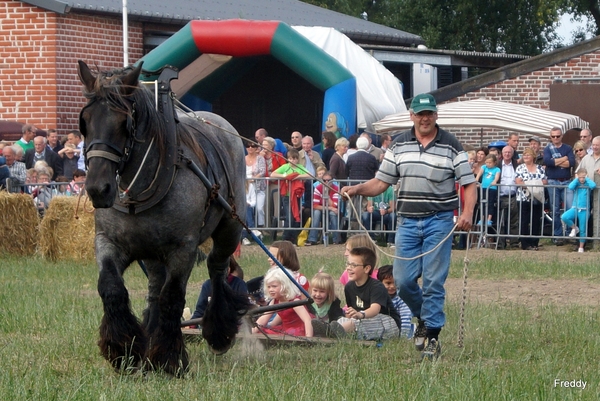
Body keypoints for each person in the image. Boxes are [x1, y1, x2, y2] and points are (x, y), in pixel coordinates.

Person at [341, 93, 476, 360]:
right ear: (412, 116)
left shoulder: (451, 145)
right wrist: (356, 189)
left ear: (436, 115)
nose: (424, 118)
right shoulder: (399, 145)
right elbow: (381, 182)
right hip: (408, 222)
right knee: (402, 282)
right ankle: (425, 320)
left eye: (429, 113)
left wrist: (468, 212)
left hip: (439, 220)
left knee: (434, 281)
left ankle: (432, 338)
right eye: (420, 113)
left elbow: (469, 183)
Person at [331, 247, 401, 340]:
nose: (348, 268)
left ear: (366, 268)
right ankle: (333, 331)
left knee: (360, 322)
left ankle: (331, 332)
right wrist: (350, 314)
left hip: (388, 324)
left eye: (353, 265)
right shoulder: (349, 287)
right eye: (348, 264)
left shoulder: (377, 286)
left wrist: (360, 315)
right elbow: (352, 309)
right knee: (342, 320)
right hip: (364, 322)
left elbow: (375, 309)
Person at [252, 268, 313, 337]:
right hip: (285, 328)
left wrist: (309, 338)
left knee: (288, 335)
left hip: (297, 329)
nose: (271, 289)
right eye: (269, 287)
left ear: (285, 286)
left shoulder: (294, 301)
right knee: (263, 332)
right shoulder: (275, 301)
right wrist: (254, 329)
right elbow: (265, 317)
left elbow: (307, 320)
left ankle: (319, 329)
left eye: (274, 286)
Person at [190, 257, 248, 325]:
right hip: (211, 325)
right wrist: (191, 325)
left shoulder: (239, 284)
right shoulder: (207, 285)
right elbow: (200, 311)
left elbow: (243, 310)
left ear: (229, 269)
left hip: (234, 325)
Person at [270, 149, 311, 244]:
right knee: (289, 217)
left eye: (295, 159)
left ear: (298, 159)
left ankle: (293, 238)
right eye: (291, 159)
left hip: (297, 196)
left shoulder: (300, 167)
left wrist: (297, 177)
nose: (293, 161)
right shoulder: (285, 167)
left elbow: (309, 175)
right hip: (287, 197)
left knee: (296, 217)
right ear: (288, 159)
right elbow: (273, 174)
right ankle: (286, 239)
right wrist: (285, 176)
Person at [543, 127, 575, 245]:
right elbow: (548, 162)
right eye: (553, 136)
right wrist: (564, 158)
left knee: (569, 208)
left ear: (562, 136)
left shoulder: (568, 148)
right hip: (553, 182)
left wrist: (556, 161)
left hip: (566, 181)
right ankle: (557, 235)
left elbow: (571, 163)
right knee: (555, 209)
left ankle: (568, 233)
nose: (555, 138)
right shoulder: (547, 149)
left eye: (558, 136)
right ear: (550, 137)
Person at [515, 148, 547, 250]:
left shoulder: (540, 168)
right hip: (523, 198)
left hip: (537, 198)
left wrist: (528, 184)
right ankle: (525, 244)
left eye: (528, 155)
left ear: (533, 156)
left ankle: (534, 243)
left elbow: (545, 181)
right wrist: (534, 184)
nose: (526, 157)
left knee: (536, 220)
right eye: (524, 155)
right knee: (524, 221)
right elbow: (518, 182)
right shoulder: (520, 168)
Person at [561, 168, 596, 253]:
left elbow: (593, 185)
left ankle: (581, 247)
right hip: (575, 208)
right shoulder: (576, 183)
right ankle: (574, 228)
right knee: (564, 216)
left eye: (583, 177)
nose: (582, 179)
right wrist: (576, 179)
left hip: (584, 210)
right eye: (580, 177)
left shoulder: (588, 183)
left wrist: (586, 178)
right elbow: (570, 186)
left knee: (583, 229)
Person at [305, 171, 341, 246]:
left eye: (329, 180)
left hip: (331, 210)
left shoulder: (336, 188)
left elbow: (335, 205)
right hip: (322, 209)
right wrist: (330, 208)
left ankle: (336, 240)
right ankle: (312, 239)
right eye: (324, 180)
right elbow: (315, 206)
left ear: (332, 180)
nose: (326, 182)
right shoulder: (318, 188)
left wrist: (327, 196)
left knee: (333, 213)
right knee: (316, 212)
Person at [377, 265, 413, 338]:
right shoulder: (376, 296)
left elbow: (405, 316)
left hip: (397, 327)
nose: (393, 286)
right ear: (380, 283)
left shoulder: (401, 298)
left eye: (395, 283)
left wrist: (403, 337)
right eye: (388, 283)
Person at [309, 273, 344, 337]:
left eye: (322, 291)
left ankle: (329, 332)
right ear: (311, 290)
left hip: (331, 328)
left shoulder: (333, 303)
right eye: (315, 290)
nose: (317, 294)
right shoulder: (308, 303)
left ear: (329, 292)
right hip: (313, 330)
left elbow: (336, 318)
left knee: (343, 321)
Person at [497, 146, 520, 249]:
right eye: (505, 152)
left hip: (513, 196)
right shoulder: (497, 165)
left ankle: (514, 243)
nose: (507, 154)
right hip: (500, 196)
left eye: (509, 152)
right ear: (502, 153)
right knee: (501, 221)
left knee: (514, 221)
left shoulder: (517, 165)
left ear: (512, 153)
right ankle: (501, 244)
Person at [245, 140, 267, 230]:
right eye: (248, 146)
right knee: (247, 208)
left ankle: (260, 227)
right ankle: (249, 229)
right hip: (246, 188)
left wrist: (253, 179)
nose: (250, 148)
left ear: (256, 148)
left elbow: (262, 171)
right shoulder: (243, 158)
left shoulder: (260, 158)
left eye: (253, 146)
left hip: (258, 187)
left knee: (259, 208)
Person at [475, 154, 500, 227]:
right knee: (482, 203)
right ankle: (482, 219)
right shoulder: (484, 167)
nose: (488, 164)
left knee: (490, 203)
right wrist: (477, 178)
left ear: (494, 162)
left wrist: (495, 181)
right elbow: (480, 173)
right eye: (487, 162)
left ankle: (489, 219)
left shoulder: (497, 169)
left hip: (492, 188)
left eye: (490, 163)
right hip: (483, 187)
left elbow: (497, 176)